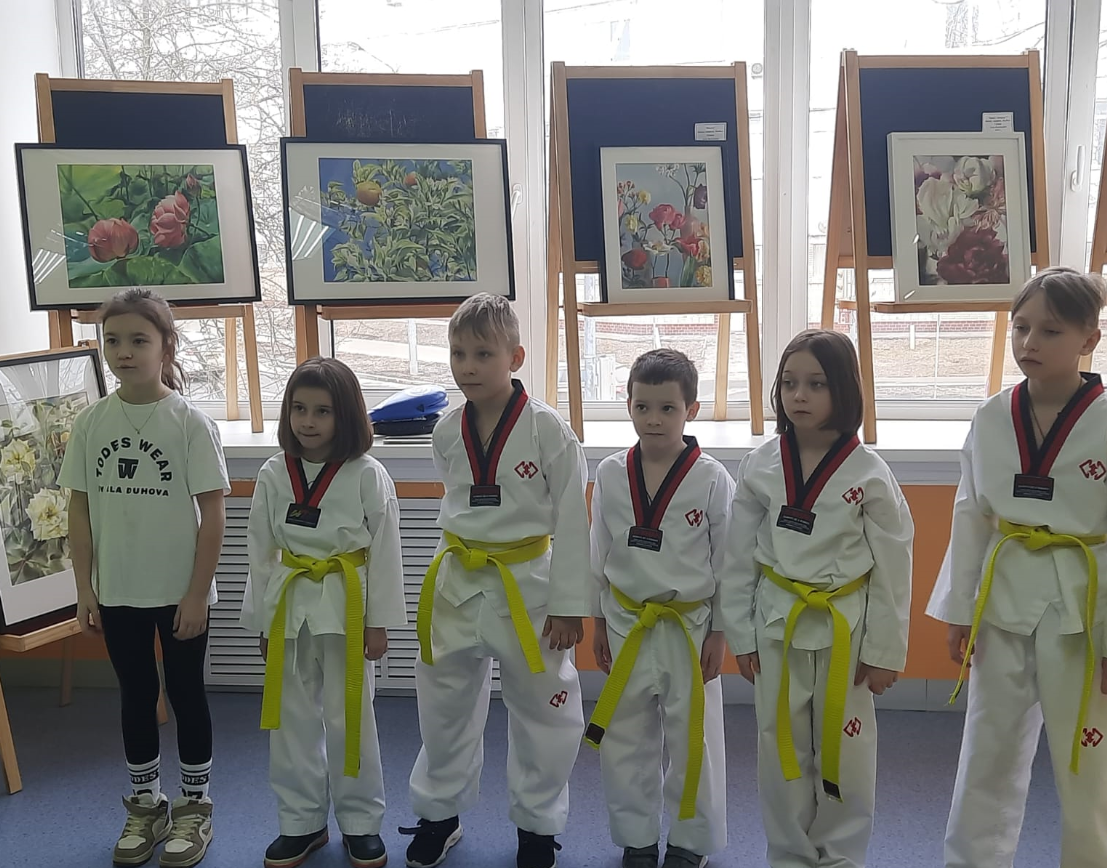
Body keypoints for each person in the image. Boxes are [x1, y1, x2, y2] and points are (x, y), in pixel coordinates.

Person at [401, 293, 591, 868]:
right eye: (458, 353)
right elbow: (456, 497)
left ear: (515, 356)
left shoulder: (548, 430)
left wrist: (570, 605)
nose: (468, 367)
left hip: (528, 586)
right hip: (458, 581)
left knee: (543, 710)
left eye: (483, 354)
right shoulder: (446, 430)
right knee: (443, 705)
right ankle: (440, 815)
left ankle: (537, 826)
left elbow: (573, 520)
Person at [927, 266, 1107, 868]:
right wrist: (960, 610)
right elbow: (971, 515)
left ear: (1089, 339)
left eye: (1050, 331)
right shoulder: (990, 417)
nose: (1029, 342)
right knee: (989, 749)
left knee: (1087, 755)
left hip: (1084, 610)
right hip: (1001, 601)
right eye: (1020, 327)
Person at [721, 329, 913, 868]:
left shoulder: (869, 473)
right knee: (779, 745)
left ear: (845, 390)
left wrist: (884, 650)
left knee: (846, 747)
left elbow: (895, 566)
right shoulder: (760, 464)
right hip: (776, 622)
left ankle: (840, 856)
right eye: (789, 383)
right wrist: (740, 634)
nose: (799, 395)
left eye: (816, 384)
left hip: (845, 629)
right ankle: (788, 854)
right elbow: (738, 557)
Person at [62, 288, 229, 868]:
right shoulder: (91, 422)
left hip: (180, 594)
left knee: (186, 694)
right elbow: (79, 510)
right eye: (113, 341)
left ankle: (195, 806)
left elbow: (214, 516)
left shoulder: (190, 423)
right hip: (118, 592)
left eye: (138, 340)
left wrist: (196, 593)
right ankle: (145, 805)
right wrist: (85, 588)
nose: (124, 352)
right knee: (135, 695)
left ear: (166, 346)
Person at [242, 357, 406, 868]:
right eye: (299, 409)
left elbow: (386, 550)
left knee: (350, 717)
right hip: (289, 605)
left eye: (322, 411)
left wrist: (378, 622)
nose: (307, 421)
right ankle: (301, 822)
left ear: (347, 415)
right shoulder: (274, 472)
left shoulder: (367, 474)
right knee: (290, 721)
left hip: (346, 606)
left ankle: (360, 822)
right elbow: (259, 550)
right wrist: (263, 620)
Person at [588, 349, 732, 868]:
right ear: (628, 406)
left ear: (691, 410)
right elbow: (598, 551)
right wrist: (597, 620)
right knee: (626, 738)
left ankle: (691, 841)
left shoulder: (712, 478)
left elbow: (729, 561)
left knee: (695, 736)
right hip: (626, 620)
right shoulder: (610, 472)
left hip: (689, 626)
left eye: (667, 408)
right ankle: (637, 838)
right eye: (642, 406)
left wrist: (721, 631)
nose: (653, 419)